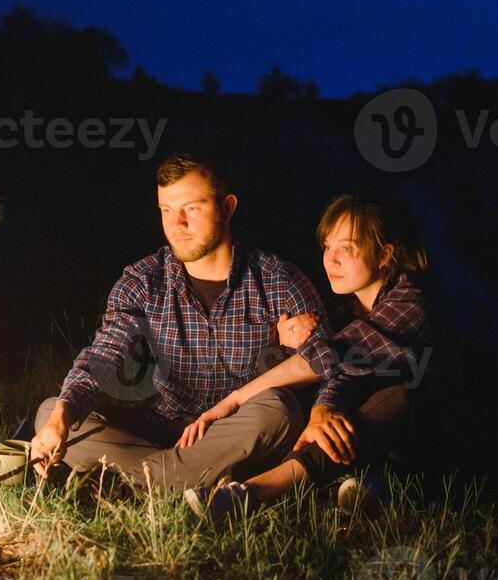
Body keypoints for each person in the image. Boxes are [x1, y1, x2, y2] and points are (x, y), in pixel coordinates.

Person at [28, 152, 333, 492]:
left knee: (279, 409)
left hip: (236, 430)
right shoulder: (143, 280)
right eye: (167, 211)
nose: (178, 224)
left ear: (228, 208)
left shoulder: (278, 280)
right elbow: (104, 354)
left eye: (193, 208)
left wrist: (323, 409)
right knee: (50, 412)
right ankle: (187, 479)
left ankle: (141, 481)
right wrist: (61, 415)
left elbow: (328, 364)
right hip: (160, 429)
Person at [181, 194, 434, 520]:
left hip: (433, 445)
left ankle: (252, 495)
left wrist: (233, 401)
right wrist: (319, 400)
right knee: (327, 414)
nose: (332, 260)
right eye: (328, 247)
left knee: (399, 396)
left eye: (347, 248)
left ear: (384, 254)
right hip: (378, 449)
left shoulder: (411, 301)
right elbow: (340, 374)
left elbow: (333, 356)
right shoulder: (344, 314)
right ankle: (365, 487)